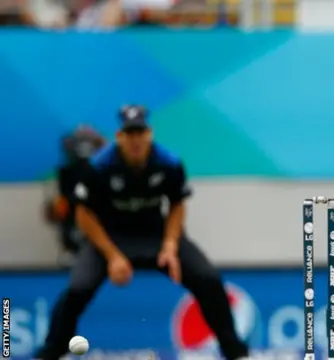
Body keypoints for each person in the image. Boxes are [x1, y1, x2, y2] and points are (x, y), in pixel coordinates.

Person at [34, 105, 251, 360]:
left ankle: (236, 353)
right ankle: (51, 353)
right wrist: (112, 256)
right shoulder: (99, 166)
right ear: (119, 137)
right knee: (77, 289)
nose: (135, 140)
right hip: (110, 238)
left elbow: (177, 205)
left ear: (149, 134)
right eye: (130, 134)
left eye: (140, 133)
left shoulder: (169, 162)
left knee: (207, 278)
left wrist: (171, 244)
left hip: (156, 237)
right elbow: (84, 215)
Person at [45, 125, 106, 256]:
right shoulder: (65, 172)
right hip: (73, 211)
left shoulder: (106, 170)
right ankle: (73, 249)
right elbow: (61, 200)